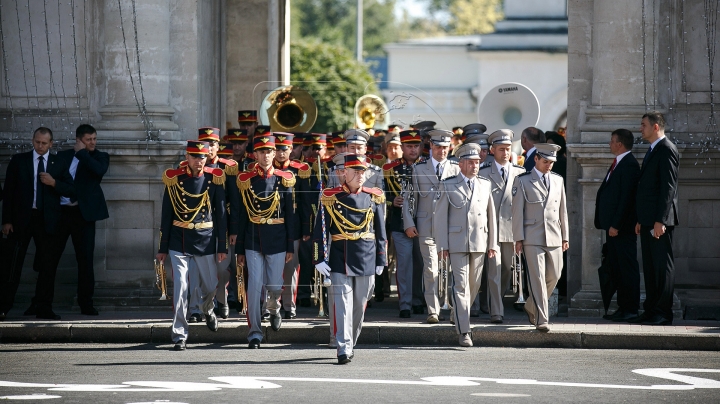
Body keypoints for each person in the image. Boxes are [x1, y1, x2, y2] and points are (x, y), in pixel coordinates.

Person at [312, 154, 387, 364]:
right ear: (344, 173)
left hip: (367, 256)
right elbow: (320, 230)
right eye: (355, 171)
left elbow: (380, 232)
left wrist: (382, 259)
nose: (359, 175)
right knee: (342, 303)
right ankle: (343, 347)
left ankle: (350, 341)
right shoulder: (330, 196)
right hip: (339, 256)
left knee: (360, 304)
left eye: (362, 171)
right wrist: (318, 258)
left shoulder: (374, 197)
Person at [156, 140, 227, 350]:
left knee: (211, 285)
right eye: (195, 157)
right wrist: (163, 247)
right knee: (180, 288)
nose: (199, 161)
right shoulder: (174, 180)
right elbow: (166, 214)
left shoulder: (214, 179)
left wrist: (221, 245)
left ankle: (207, 308)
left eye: (203, 157)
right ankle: (179, 334)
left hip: (205, 238)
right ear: (187, 157)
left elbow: (221, 214)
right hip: (180, 238)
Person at [0, 127, 75, 321]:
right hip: (21, 220)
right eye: (37, 142)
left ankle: (43, 307)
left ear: (51, 143)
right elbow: (8, 191)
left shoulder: (58, 162)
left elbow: (72, 190)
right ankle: (3, 306)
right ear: (32, 140)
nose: (40, 146)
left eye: (44, 143)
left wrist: (54, 183)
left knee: (48, 265)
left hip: (47, 221)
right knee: (12, 264)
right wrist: (6, 220)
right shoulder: (19, 161)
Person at [236, 133, 297, 349]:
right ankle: (254, 333)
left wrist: (290, 244)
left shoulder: (284, 179)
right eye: (262, 152)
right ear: (255, 155)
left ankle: (274, 308)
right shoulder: (247, 180)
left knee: (274, 285)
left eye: (269, 151)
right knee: (254, 286)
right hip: (253, 239)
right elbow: (243, 215)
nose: (267, 155)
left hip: (278, 238)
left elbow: (290, 214)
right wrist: (239, 248)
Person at [434, 143, 498, 347]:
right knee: (460, 286)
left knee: (473, 286)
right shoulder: (448, 184)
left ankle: (458, 313)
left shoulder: (485, 184)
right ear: (460, 164)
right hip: (457, 242)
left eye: (477, 162)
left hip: (480, 242)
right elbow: (440, 217)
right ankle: (464, 331)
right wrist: (442, 245)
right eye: (470, 162)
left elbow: (491, 216)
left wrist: (492, 243)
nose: (475, 165)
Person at [49, 124, 109, 316]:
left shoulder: (99, 156)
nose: (92, 142)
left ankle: (86, 303)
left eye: (94, 139)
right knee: (50, 258)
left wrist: (83, 153)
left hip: (84, 216)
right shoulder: (63, 157)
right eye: (88, 140)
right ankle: (41, 302)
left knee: (85, 260)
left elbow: (98, 172)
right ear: (78, 140)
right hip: (62, 213)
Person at [403, 129, 460, 323]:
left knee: (451, 271)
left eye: (445, 148)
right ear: (431, 148)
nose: (442, 151)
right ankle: (433, 310)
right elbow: (409, 199)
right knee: (431, 269)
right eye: (438, 147)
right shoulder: (419, 169)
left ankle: (453, 308)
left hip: (451, 228)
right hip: (426, 226)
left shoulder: (457, 169)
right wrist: (409, 223)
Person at [512, 143, 569, 332]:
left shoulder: (558, 180)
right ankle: (542, 319)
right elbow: (517, 212)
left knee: (555, 275)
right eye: (545, 161)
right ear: (535, 159)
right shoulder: (522, 180)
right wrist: (518, 238)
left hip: (554, 234)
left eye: (552, 162)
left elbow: (563, 211)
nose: (549, 165)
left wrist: (565, 236)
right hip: (532, 236)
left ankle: (530, 305)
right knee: (536, 278)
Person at [631, 111, 679, 326]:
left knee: (661, 266)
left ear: (656, 127)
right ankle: (651, 310)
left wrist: (660, 220)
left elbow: (668, 188)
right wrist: (643, 219)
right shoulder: (653, 149)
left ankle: (663, 312)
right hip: (649, 219)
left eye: (643, 125)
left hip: (661, 221)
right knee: (650, 267)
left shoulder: (666, 149)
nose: (640, 129)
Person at [478, 129, 527, 324]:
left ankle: (491, 301)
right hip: (489, 231)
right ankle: (496, 311)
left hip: (510, 231)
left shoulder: (521, 173)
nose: (505, 153)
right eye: (501, 149)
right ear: (492, 150)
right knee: (494, 271)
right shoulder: (483, 173)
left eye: (508, 149)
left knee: (507, 270)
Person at [594, 129, 641, 322]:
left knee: (626, 269)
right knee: (618, 269)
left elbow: (626, 200)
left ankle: (630, 308)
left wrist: (616, 225)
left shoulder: (629, 165)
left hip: (621, 230)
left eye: (612, 141)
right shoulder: (619, 163)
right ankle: (623, 307)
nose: (610, 144)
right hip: (614, 229)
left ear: (619, 144)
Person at [383, 129, 425, 318]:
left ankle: (419, 300)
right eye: (409, 146)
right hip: (399, 223)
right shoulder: (390, 169)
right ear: (402, 147)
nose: (413, 150)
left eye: (416, 146)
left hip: (424, 223)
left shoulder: (426, 166)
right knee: (404, 264)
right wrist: (391, 200)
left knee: (422, 263)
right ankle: (405, 304)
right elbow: (378, 192)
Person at [272, 132, 310, 319]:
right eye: (277, 149)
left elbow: (304, 201)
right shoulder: (266, 169)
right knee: (272, 268)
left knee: (291, 267)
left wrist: (306, 228)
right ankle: (273, 304)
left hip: (293, 223)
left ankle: (289, 305)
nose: (280, 153)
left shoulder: (299, 169)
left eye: (284, 148)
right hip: (272, 223)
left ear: (291, 149)